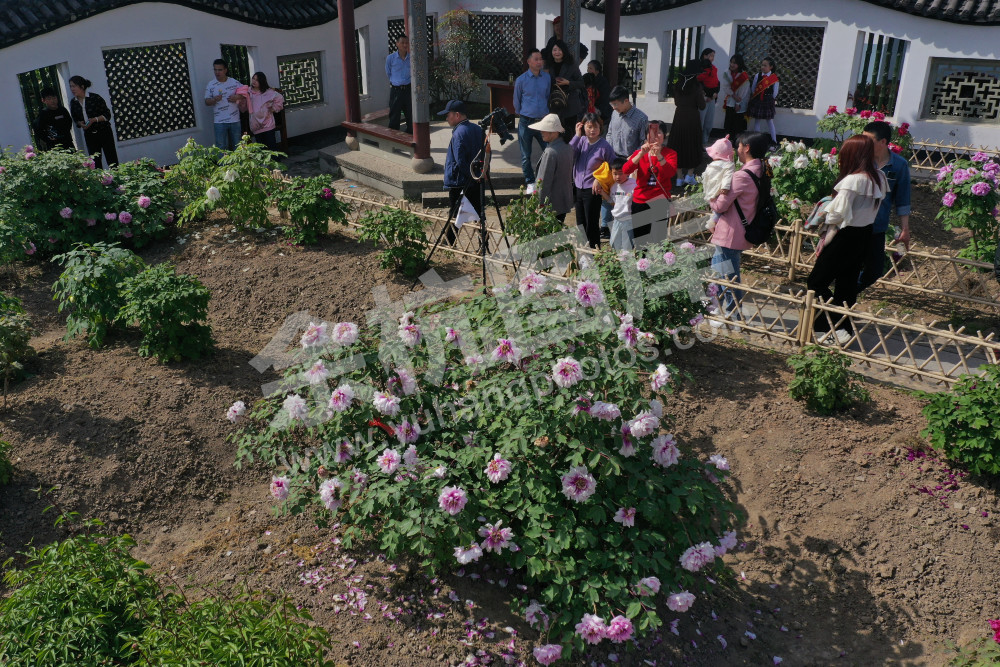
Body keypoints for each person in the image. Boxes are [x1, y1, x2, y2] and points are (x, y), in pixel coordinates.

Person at [806, 134, 887, 345]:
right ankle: (843, 327)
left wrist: (825, 212)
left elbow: (836, 214)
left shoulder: (853, 180)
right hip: (864, 235)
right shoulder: (878, 176)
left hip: (845, 235)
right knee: (847, 284)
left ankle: (827, 327)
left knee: (816, 282)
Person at [708, 131, 770, 327]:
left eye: (739, 146)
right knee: (719, 272)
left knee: (728, 276)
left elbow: (720, 206)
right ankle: (718, 307)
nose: (736, 149)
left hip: (731, 233)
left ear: (747, 148)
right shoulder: (761, 169)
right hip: (739, 231)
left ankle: (733, 314)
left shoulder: (742, 176)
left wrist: (710, 192)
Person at [858, 120, 912, 291]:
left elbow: (902, 199)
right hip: (854, 224)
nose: (864, 144)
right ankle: (839, 306)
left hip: (877, 227)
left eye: (869, 140)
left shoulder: (898, 165)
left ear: (883, 142)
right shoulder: (860, 160)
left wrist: (904, 229)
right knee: (849, 267)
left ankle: (847, 295)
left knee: (874, 271)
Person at [602, 85, 648, 239]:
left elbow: (643, 142)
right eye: (612, 105)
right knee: (609, 190)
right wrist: (608, 152)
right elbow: (609, 133)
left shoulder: (641, 118)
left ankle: (629, 229)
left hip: (630, 161)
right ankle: (605, 226)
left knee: (627, 195)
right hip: (613, 158)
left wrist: (634, 159)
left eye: (616, 104)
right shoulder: (615, 114)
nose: (613, 108)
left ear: (626, 101)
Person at [622, 120, 677, 240]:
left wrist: (659, 156)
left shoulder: (670, 153)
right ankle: (642, 259)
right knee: (641, 238)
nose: (655, 137)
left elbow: (670, 173)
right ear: (646, 136)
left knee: (658, 238)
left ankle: (656, 259)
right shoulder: (639, 153)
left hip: (660, 200)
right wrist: (641, 154)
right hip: (640, 199)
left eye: (659, 133)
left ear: (664, 135)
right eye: (651, 133)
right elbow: (625, 171)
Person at [440, 100, 485, 243]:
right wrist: (478, 175)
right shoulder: (478, 130)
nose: (447, 118)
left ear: (457, 115)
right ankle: (483, 244)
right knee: (479, 214)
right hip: (476, 179)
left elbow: (460, 161)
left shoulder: (459, 133)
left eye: (448, 115)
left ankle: (448, 242)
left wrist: (470, 175)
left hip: (460, 180)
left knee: (455, 213)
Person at [571, 113, 615, 248]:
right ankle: (583, 250)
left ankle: (594, 250)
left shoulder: (604, 146)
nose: (592, 130)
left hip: (593, 190)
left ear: (600, 128)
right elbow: (569, 153)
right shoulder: (581, 141)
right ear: (583, 127)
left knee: (591, 222)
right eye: (589, 127)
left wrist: (599, 179)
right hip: (578, 187)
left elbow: (612, 166)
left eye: (595, 127)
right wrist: (577, 136)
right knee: (580, 222)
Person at [513, 49, 551, 185]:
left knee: (548, 151)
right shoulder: (521, 80)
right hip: (526, 121)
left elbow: (547, 96)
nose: (539, 62)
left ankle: (543, 178)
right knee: (526, 155)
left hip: (542, 122)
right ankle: (530, 182)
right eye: (536, 59)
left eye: (541, 59)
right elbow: (516, 102)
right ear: (529, 62)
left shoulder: (547, 78)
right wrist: (524, 113)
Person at [667, 60, 706, 188]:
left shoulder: (678, 84)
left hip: (679, 117)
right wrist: (703, 97)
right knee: (692, 144)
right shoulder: (696, 86)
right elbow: (702, 106)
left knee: (678, 144)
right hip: (692, 118)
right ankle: (689, 175)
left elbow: (677, 102)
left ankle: (679, 178)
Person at [530, 113, 575, 223]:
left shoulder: (551, 152)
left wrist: (540, 204)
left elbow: (544, 181)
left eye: (544, 130)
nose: (541, 132)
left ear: (554, 132)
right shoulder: (567, 147)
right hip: (563, 200)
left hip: (551, 203)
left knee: (547, 237)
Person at [68, 76, 118, 168]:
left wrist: (94, 120)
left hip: (104, 131)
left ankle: (117, 180)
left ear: (82, 86)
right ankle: (101, 181)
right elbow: (75, 119)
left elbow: (107, 115)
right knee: (95, 161)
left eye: (74, 86)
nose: (72, 89)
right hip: (90, 134)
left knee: (112, 159)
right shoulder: (74, 102)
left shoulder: (95, 98)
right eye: (70, 86)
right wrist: (81, 124)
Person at [544, 40, 586, 143]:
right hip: (553, 103)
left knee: (568, 133)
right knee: (554, 132)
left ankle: (569, 154)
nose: (557, 52)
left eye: (559, 50)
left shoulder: (571, 65)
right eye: (554, 50)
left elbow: (581, 83)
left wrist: (568, 83)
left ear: (564, 51)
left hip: (570, 104)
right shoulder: (547, 65)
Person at [237, 72, 285, 151]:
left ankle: (275, 162)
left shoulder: (268, 92)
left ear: (262, 82)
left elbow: (280, 98)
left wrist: (273, 108)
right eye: (253, 79)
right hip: (256, 125)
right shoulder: (248, 92)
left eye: (257, 80)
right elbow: (243, 108)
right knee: (261, 149)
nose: (254, 81)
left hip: (268, 124)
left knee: (272, 148)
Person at [204, 59, 243, 151]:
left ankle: (240, 165)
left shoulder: (234, 82)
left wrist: (238, 96)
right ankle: (223, 165)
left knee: (238, 145)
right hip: (219, 121)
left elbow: (246, 92)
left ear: (225, 70)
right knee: (221, 146)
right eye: (215, 70)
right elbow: (206, 101)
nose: (217, 72)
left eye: (220, 70)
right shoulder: (211, 84)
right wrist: (214, 99)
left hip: (234, 120)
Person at [599, 158, 637, 251]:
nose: (618, 177)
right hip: (616, 219)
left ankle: (626, 262)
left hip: (629, 219)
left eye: (621, 173)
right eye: (615, 174)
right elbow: (613, 202)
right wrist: (602, 193)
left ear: (627, 172)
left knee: (627, 245)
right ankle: (618, 262)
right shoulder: (614, 187)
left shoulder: (634, 185)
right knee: (614, 243)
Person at [703, 135, 736, 232]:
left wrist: (707, 190)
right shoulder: (729, 165)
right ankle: (713, 221)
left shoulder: (711, 165)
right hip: (720, 190)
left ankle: (713, 220)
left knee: (715, 207)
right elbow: (728, 176)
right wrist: (725, 187)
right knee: (719, 209)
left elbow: (706, 178)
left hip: (710, 190)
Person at [748, 57, 779, 147]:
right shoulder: (758, 75)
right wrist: (756, 95)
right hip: (758, 99)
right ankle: (756, 141)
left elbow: (775, 92)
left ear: (771, 67)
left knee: (770, 121)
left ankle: (774, 141)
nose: (763, 67)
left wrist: (768, 98)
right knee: (757, 120)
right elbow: (753, 88)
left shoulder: (774, 78)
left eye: (765, 65)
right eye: (762, 65)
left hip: (768, 100)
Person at [385, 35, 412, 134]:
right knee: (394, 116)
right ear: (397, 44)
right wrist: (396, 82)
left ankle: (409, 136)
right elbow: (388, 73)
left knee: (410, 114)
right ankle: (394, 139)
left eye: (406, 43)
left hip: (408, 90)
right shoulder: (390, 58)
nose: (405, 45)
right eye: (402, 43)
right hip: (396, 90)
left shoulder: (411, 58)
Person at [721, 54, 750, 137]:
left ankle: (735, 143)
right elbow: (725, 87)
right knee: (728, 123)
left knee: (737, 124)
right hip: (730, 101)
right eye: (731, 62)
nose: (732, 64)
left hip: (740, 103)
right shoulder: (726, 73)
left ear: (739, 64)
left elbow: (743, 92)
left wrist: (738, 103)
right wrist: (733, 96)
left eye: (734, 63)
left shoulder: (743, 76)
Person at [696, 48, 720, 145]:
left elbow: (717, 83)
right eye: (710, 55)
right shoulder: (698, 67)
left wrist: (715, 93)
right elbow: (697, 82)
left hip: (712, 99)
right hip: (703, 98)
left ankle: (704, 142)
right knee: (700, 122)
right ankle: (697, 143)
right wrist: (704, 94)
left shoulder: (714, 68)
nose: (712, 58)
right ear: (704, 55)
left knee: (708, 123)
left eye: (713, 56)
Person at [587, 60, 612, 128]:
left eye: (590, 68)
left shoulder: (602, 82)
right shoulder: (588, 79)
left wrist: (596, 108)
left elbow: (604, 98)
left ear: (597, 71)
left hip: (602, 112)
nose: (588, 70)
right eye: (588, 68)